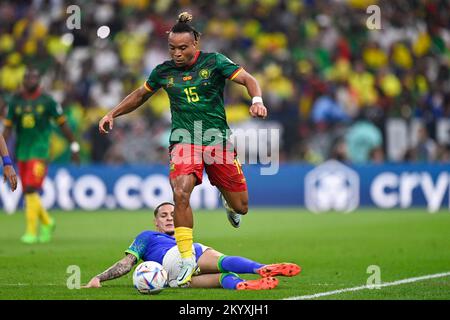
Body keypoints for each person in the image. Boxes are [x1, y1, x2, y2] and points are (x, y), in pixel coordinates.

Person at [98, 12, 268, 286]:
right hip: (183, 139)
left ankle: (228, 202)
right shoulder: (163, 72)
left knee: (242, 206)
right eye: (172, 48)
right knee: (180, 191)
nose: (177, 53)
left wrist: (256, 100)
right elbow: (140, 95)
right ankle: (187, 257)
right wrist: (112, 113)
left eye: (183, 48)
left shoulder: (215, 62)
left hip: (217, 140)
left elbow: (249, 80)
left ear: (196, 44)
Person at [83, 202, 301, 290]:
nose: (169, 218)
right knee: (222, 261)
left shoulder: (178, 236)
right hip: (178, 256)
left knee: (220, 279)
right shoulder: (148, 236)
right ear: (155, 222)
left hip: (171, 280)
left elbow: (127, 264)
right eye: (163, 215)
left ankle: (243, 285)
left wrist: (97, 280)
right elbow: (126, 263)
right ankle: (260, 268)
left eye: (172, 214)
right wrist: (99, 277)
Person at [2, 67, 80, 244]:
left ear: (39, 80)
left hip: (41, 151)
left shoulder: (48, 101)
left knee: (30, 189)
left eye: (34, 77)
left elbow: (63, 125)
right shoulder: (15, 101)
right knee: (26, 190)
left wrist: (74, 146)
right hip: (22, 151)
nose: (30, 80)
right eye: (27, 77)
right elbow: (6, 129)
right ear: (23, 80)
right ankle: (47, 222)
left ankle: (31, 231)